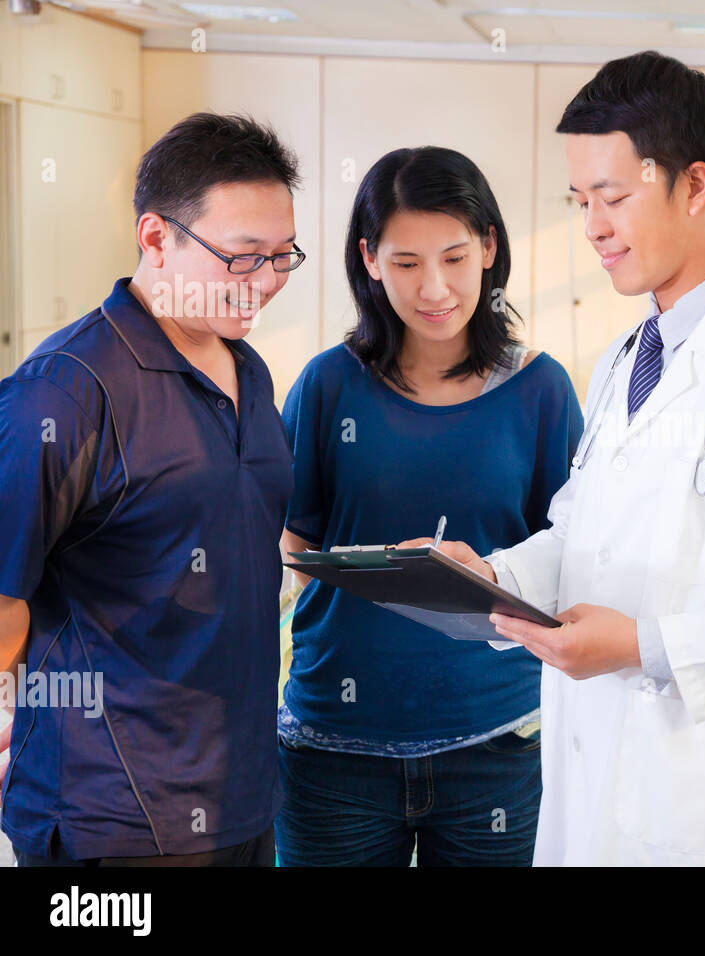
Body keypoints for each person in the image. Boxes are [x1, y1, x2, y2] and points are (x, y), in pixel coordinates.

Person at [436, 51, 705, 865]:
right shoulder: (619, 362)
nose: (593, 227)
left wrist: (646, 646)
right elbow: (581, 535)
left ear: (695, 185)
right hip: (593, 782)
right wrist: (495, 581)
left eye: (613, 197)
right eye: (580, 202)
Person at [0, 112, 304, 865]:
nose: (264, 282)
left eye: (281, 256)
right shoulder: (65, 393)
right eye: (241, 257)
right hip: (111, 815)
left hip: (240, 798)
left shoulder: (250, 373)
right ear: (156, 238)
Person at [275, 147, 583, 866]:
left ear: (489, 248)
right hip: (335, 750)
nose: (434, 287)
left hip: (497, 741)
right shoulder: (327, 385)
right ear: (369, 260)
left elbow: (568, 551)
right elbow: (292, 548)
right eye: (406, 262)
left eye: (453, 256)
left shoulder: (541, 391)